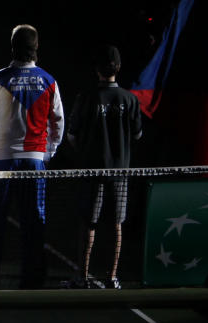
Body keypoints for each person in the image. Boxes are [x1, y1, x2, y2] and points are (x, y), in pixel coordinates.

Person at [0, 24, 63, 289]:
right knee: (34, 223)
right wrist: (47, 153)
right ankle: (33, 281)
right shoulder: (48, 80)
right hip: (33, 162)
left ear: (13, 47)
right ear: (36, 48)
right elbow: (58, 123)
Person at [65, 44, 142, 289]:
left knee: (89, 223)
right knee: (116, 224)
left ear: (96, 69)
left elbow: (72, 135)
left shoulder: (86, 98)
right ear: (118, 68)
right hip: (120, 172)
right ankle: (112, 277)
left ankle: (83, 276)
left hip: (92, 171)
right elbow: (137, 135)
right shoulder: (130, 99)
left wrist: (87, 152)